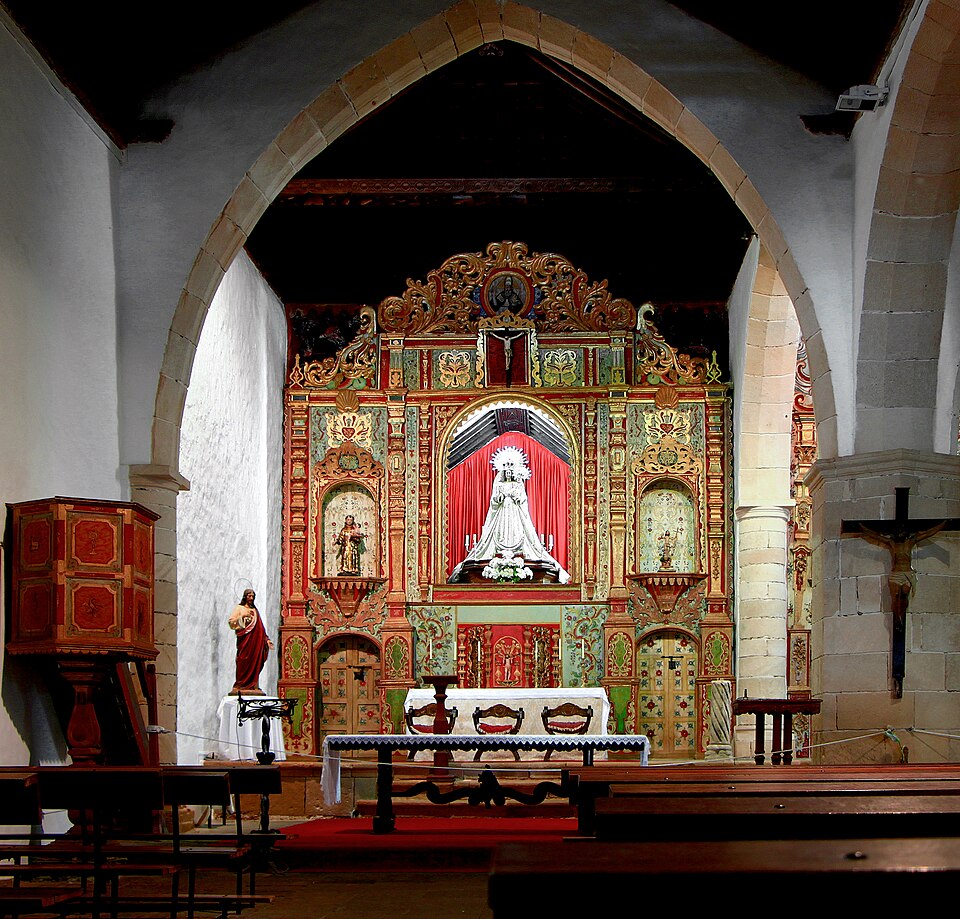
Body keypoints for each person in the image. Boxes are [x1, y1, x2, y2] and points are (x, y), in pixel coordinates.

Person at [450, 445, 569, 583]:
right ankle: (499, 549)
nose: (508, 471)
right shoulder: (499, 484)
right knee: (500, 531)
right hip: (502, 514)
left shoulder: (518, 484)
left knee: (518, 530)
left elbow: (523, 500)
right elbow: (494, 501)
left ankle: (518, 549)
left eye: (510, 467)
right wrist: (500, 496)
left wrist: (515, 495)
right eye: (505, 467)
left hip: (515, 514)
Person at [228, 588, 273, 695]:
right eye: (249, 596)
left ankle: (253, 684)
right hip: (244, 640)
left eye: (253, 596)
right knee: (243, 659)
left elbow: (260, 628)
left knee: (255, 660)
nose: (251, 598)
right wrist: (243, 618)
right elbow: (231, 622)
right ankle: (240, 684)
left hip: (255, 641)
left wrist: (266, 639)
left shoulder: (255, 611)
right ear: (245, 597)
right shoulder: (239, 608)